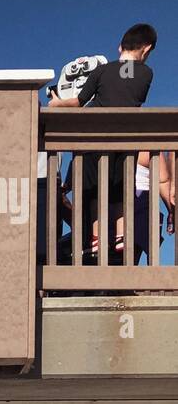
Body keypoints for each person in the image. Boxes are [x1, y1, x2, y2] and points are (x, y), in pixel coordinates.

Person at [47, 23, 158, 260]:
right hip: (125, 143)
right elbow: (126, 86)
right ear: (147, 49)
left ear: (119, 46)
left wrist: (57, 103)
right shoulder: (146, 74)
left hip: (94, 140)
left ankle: (96, 238)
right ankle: (120, 235)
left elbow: (78, 103)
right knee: (119, 189)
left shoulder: (102, 70)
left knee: (94, 191)